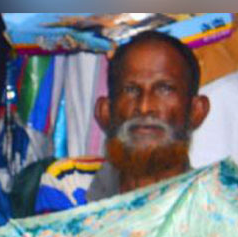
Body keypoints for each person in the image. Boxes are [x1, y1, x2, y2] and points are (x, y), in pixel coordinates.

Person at [31, 30, 211, 213]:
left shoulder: (217, 204)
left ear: (197, 111)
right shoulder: (70, 183)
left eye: (164, 89)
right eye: (131, 90)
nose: (144, 106)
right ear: (105, 111)